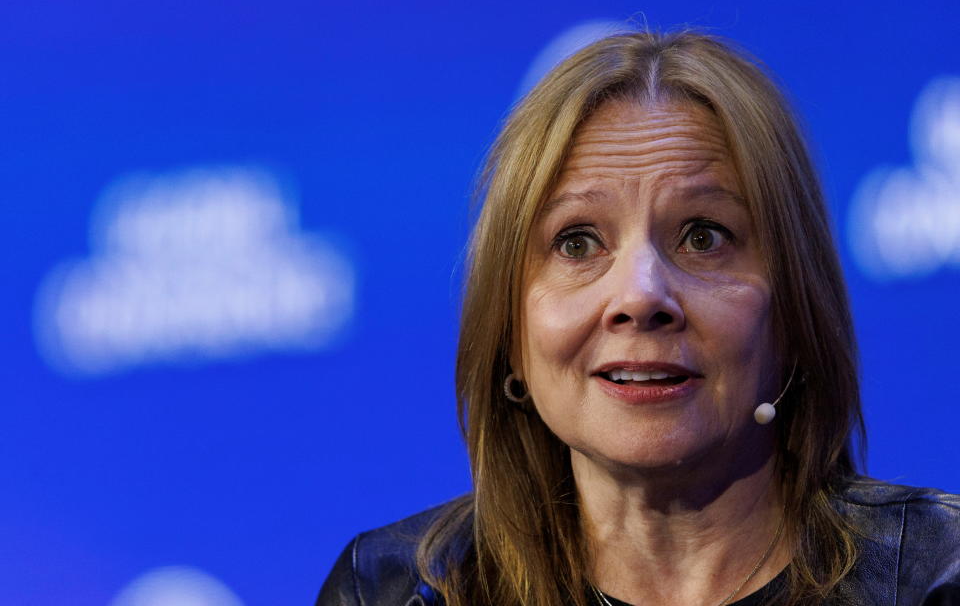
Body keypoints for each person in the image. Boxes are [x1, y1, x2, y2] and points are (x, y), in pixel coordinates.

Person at [316, 30, 960, 606]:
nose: (641, 295)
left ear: (793, 309)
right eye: (577, 242)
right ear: (511, 335)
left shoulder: (937, 578)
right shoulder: (399, 590)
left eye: (703, 237)